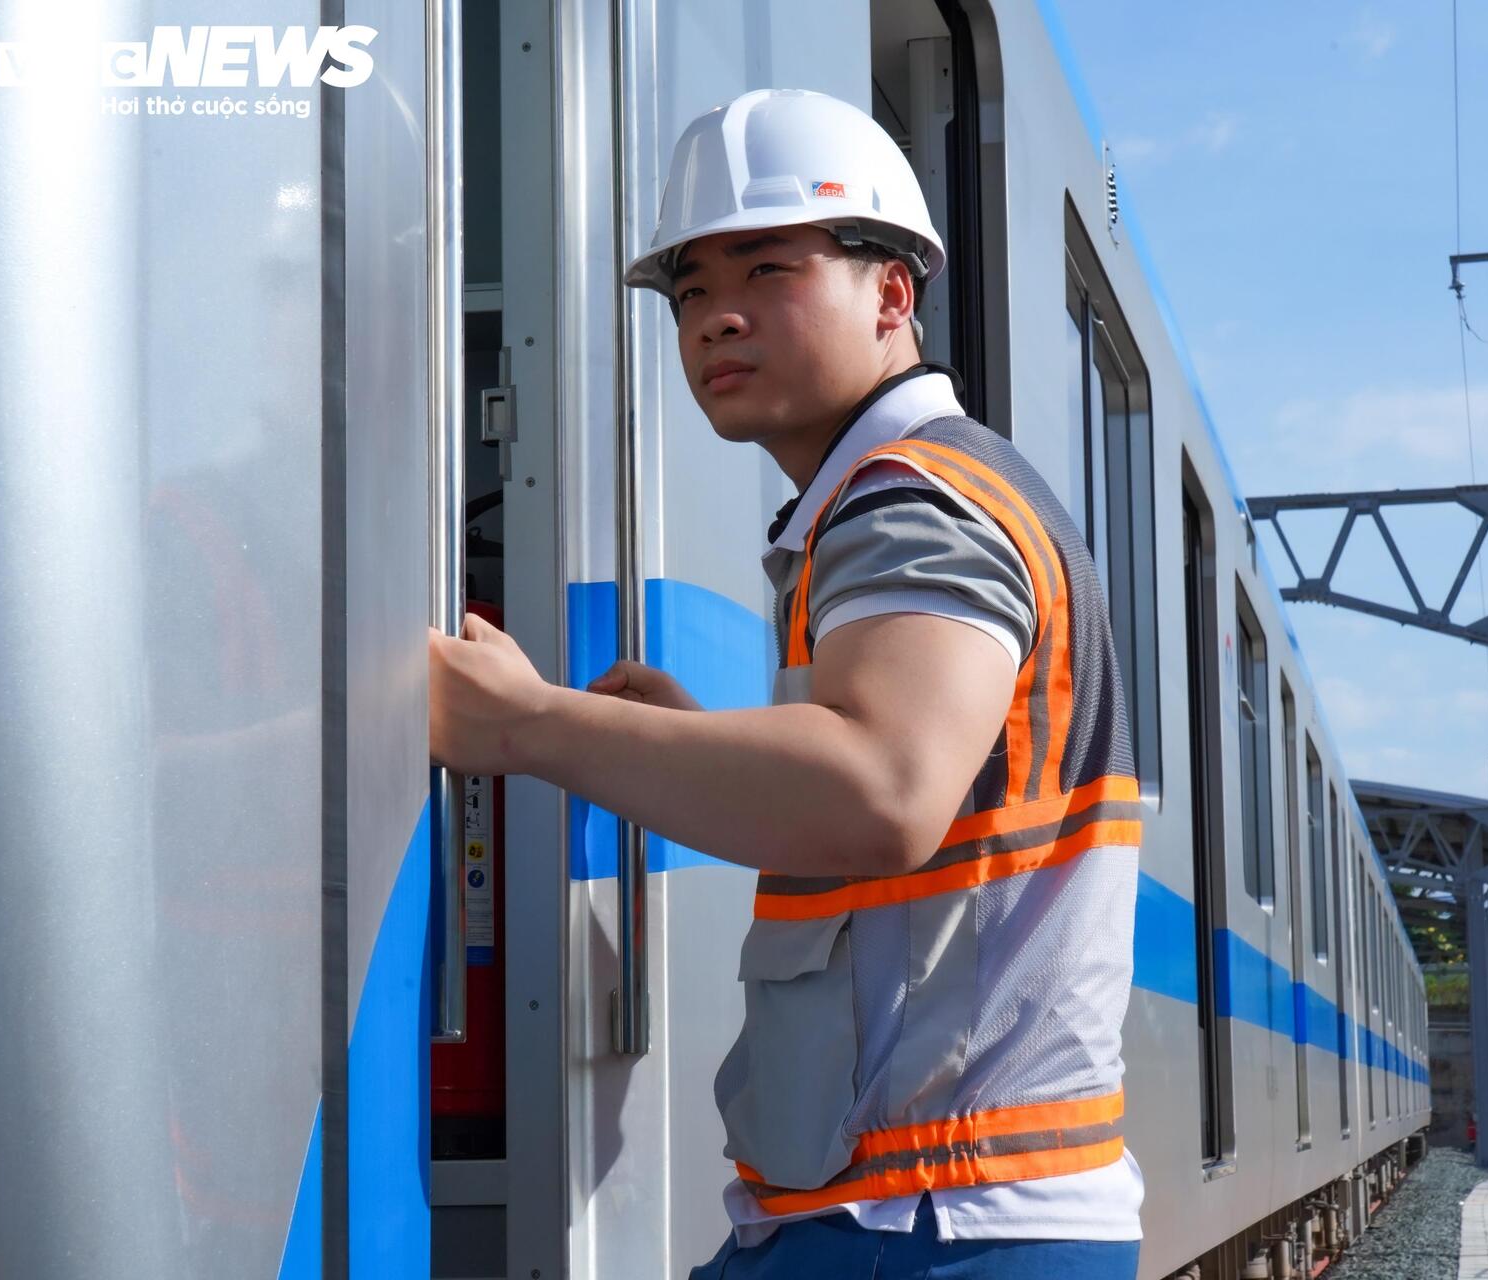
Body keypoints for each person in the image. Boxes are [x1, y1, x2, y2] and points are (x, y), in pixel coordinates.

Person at [428, 88, 1145, 1278]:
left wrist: (532, 724)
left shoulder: (914, 498)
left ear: (892, 292)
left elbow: (879, 790)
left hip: (933, 1224)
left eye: (769, 271)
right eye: (693, 291)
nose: (719, 319)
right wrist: (687, 748)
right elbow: (902, 823)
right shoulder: (912, 497)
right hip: (912, 1213)